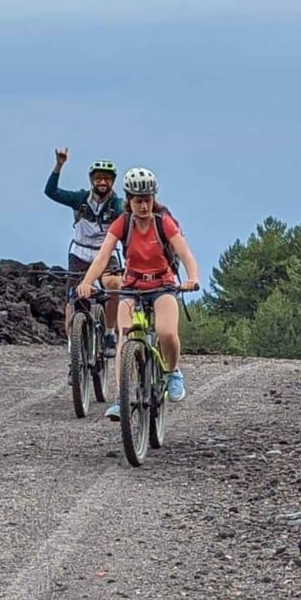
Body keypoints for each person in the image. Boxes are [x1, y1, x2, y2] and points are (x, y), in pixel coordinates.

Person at [77, 167, 200, 421]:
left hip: (162, 285)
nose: (143, 206)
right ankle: (121, 399)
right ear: (129, 200)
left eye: (147, 200)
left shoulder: (163, 223)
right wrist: (87, 282)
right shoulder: (122, 224)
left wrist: (192, 278)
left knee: (166, 332)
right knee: (124, 339)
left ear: (154, 199)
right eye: (138, 201)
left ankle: (172, 372)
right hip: (132, 288)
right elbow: (102, 257)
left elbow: (185, 253)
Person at [44, 149, 125, 354]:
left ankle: (109, 333)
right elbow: (51, 192)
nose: (102, 182)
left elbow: (128, 220)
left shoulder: (117, 204)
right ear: (91, 180)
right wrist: (59, 165)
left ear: (113, 181)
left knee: (114, 285)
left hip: (106, 254)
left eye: (107, 178)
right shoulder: (80, 198)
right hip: (80, 253)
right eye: (98, 178)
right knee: (73, 299)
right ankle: (74, 347)